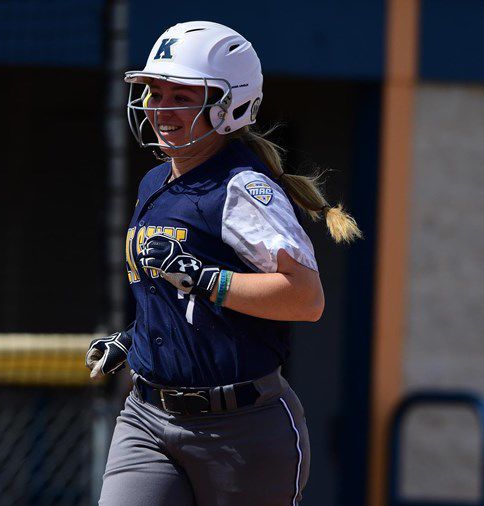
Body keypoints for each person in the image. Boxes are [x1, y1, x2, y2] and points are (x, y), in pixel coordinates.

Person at [85, 20, 361, 506]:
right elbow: (172, 290)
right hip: (147, 416)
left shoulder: (241, 188)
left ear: (230, 107)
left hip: (241, 429)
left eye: (182, 97)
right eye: (154, 91)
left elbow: (306, 298)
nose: (160, 109)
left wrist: (204, 277)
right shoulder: (155, 183)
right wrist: (133, 340)